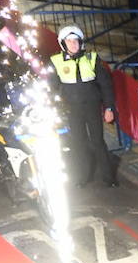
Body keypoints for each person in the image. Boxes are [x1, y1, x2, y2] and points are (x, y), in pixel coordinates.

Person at [50, 24, 117, 188]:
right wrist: (55, 107)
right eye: (69, 41)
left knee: (98, 142)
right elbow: (51, 87)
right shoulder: (56, 61)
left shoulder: (92, 59)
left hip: (92, 108)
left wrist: (109, 108)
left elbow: (106, 86)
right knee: (78, 143)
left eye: (76, 41)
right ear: (63, 43)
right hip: (72, 110)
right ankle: (82, 177)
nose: (73, 44)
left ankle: (109, 178)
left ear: (81, 43)